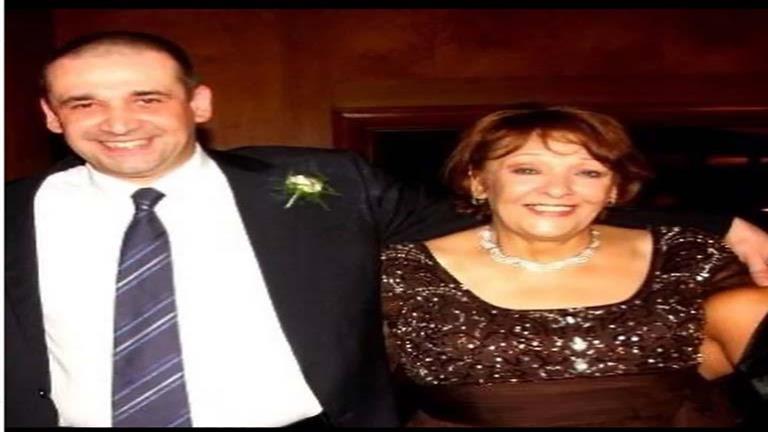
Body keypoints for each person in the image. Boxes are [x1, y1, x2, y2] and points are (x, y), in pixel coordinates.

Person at [4, 31, 767, 427]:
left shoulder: (329, 185)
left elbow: (511, 210)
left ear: (198, 104)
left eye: (147, 98)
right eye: (84, 103)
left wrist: (714, 220)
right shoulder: (12, 213)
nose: (119, 123)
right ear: (50, 116)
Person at [380, 107, 768, 427]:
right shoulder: (404, 272)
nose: (558, 189)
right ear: (478, 181)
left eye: (588, 172)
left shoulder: (687, 257)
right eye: (527, 170)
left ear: (614, 188)